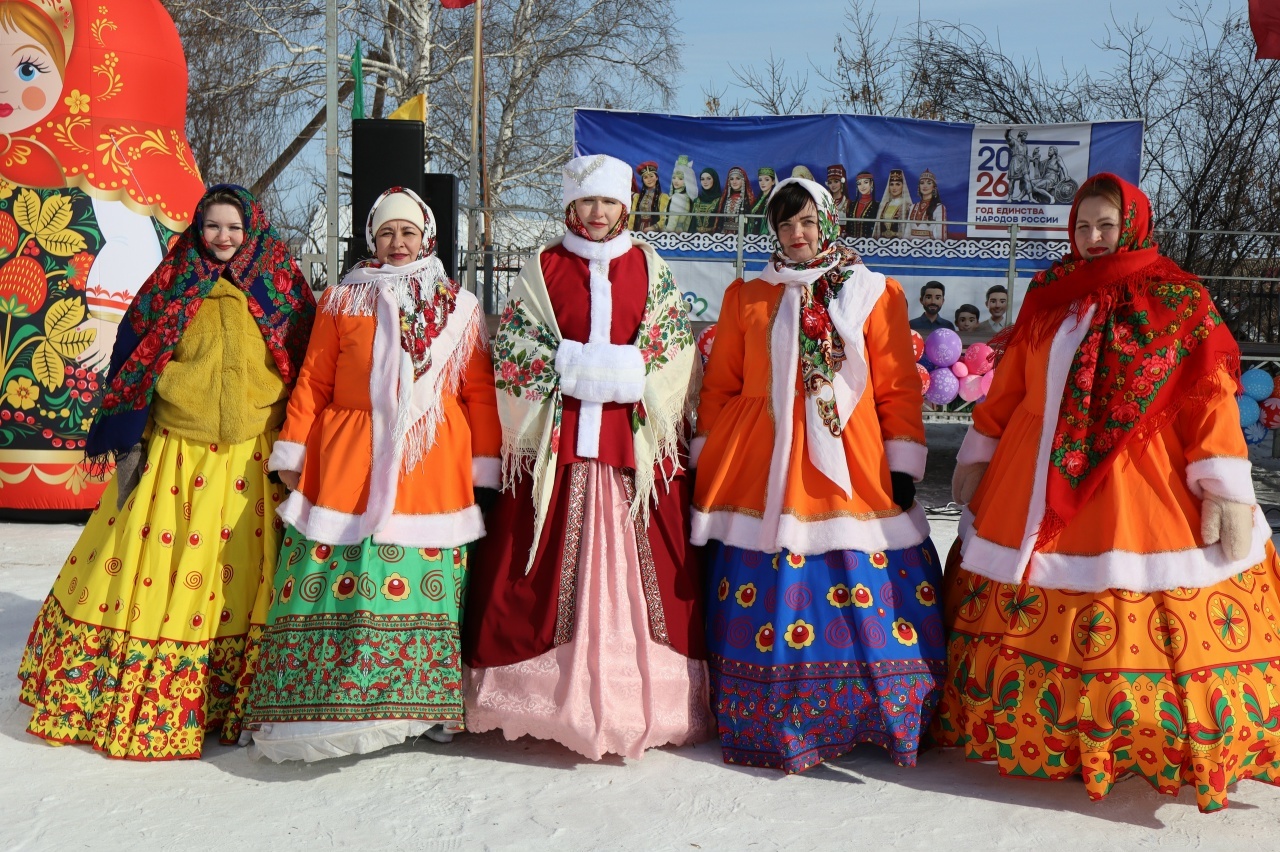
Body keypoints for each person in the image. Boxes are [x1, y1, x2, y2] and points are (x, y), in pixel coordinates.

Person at [934, 173, 1280, 812]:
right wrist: (980, 452)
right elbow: (1010, 385)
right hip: (1032, 475)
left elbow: (1208, 398)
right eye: (1084, 226)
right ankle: (1042, 731)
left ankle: (1139, 736)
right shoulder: (1051, 292)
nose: (1094, 237)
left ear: (1133, 225)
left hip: (1138, 480)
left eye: (1107, 225)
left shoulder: (1178, 299)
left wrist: (1224, 489)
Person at [16, 185, 316, 759]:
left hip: (254, 458)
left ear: (252, 229)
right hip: (179, 454)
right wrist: (141, 426)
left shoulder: (280, 288)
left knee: (237, 579)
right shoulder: (172, 283)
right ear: (198, 229)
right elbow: (134, 357)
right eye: (213, 226)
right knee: (159, 573)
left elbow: (306, 364)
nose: (223, 237)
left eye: (233, 227)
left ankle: (239, 699)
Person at [463, 153, 712, 761]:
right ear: (570, 205)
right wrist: (576, 368)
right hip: (560, 445)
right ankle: (539, 698)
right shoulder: (543, 267)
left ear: (625, 205)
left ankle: (644, 700)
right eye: (587, 202)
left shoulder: (650, 266)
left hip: (632, 449)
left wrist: (622, 372)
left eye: (608, 202)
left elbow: (674, 350)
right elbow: (515, 350)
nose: (598, 214)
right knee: (534, 565)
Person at [692, 177, 943, 773]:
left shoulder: (873, 292)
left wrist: (902, 460)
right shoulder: (747, 294)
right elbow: (722, 384)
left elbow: (897, 385)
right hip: (759, 459)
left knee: (859, 567)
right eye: (784, 224)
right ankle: (770, 714)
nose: (796, 234)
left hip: (850, 459)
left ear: (828, 222)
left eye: (806, 221)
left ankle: (878, 708)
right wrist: (709, 453)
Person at [241, 188, 500, 762]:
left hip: (429, 461)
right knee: (337, 571)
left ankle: (422, 708)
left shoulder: (458, 308)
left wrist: (485, 466)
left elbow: (479, 392)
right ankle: (322, 700)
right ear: (371, 239)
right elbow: (314, 381)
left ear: (427, 238)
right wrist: (293, 452)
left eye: (408, 232)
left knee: (424, 582)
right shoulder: (341, 300)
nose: (397, 243)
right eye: (387, 233)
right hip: (348, 457)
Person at [907, 169, 947, 240]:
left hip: (928, 245)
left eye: (929, 183)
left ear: (934, 187)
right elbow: (907, 231)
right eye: (922, 183)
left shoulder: (939, 207)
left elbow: (941, 233)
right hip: (911, 244)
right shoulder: (913, 207)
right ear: (919, 186)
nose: (925, 186)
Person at [715, 165, 756, 235]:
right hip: (724, 236)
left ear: (743, 181)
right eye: (731, 179)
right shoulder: (723, 199)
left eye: (738, 178)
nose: (734, 182)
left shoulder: (749, 200)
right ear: (728, 182)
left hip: (742, 236)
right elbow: (719, 221)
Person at [630, 161, 668, 233]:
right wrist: (630, 231)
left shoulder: (663, 197)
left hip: (655, 233)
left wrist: (653, 228)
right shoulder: (637, 198)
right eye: (645, 177)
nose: (649, 179)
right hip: (638, 231)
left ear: (656, 177)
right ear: (643, 180)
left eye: (651, 176)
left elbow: (664, 218)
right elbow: (632, 217)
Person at [873, 168, 913, 238]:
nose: (894, 188)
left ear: (903, 186)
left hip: (899, 242)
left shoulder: (907, 206)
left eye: (898, 184)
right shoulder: (884, 205)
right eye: (891, 184)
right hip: (882, 242)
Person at [663, 155, 697, 233]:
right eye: (674, 178)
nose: (676, 181)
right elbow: (687, 223)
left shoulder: (678, 197)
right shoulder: (687, 197)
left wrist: (666, 235)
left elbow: (672, 222)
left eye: (680, 179)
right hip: (682, 233)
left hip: (672, 233)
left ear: (686, 181)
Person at [848, 170, 877, 238]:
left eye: (865, 182)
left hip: (869, 242)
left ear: (871, 183)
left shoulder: (877, 206)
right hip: (851, 242)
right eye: (859, 183)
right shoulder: (852, 205)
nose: (862, 186)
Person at [748, 167, 777, 235]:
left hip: (766, 236)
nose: (762, 183)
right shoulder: (758, 199)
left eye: (766, 180)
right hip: (753, 236)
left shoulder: (774, 199)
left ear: (773, 182)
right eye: (760, 180)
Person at [693, 167, 722, 234]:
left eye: (708, 179)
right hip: (696, 237)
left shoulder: (720, 200)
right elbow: (692, 224)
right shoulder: (696, 200)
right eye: (702, 179)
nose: (705, 182)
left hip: (715, 237)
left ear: (714, 180)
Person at [826, 164, 851, 228]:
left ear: (842, 182)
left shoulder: (847, 203)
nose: (833, 185)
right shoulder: (825, 202)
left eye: (836, 181)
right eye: (830, 182)